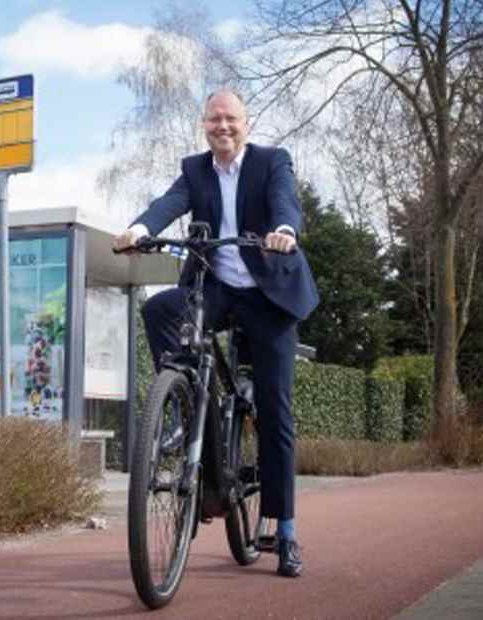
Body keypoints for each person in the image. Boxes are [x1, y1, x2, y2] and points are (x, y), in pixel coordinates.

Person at [113, 89, 319, 578]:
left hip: (268, 294)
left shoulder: (272, 162)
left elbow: (285, 202)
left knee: (275, 409)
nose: (222, 127)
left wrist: (284, 230)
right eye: (213, 120)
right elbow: (168, 203)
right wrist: (139, 228)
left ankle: (285, 530)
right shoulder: (195, 169)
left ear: (245, 123)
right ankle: (184, 400)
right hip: (218, 287)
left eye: (230, 119)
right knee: (161, 309)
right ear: (203, 124)